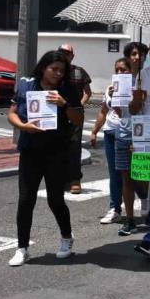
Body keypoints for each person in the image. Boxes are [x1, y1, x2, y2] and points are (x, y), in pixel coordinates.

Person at [7, 51, 84, 266]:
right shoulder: (27, 86)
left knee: (55, 199)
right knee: (25, 199)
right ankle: (22, 248)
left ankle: (67, 238)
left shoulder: (67, 89)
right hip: (31, 150)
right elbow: (12, 112)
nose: (58, 74)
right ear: (43, 68)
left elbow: (79, 118)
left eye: (62, 70)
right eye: (54, 69)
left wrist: (64, 104)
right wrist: (23, 126)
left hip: (57, 151)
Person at [114, 42, 150, 236]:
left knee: (144, 175)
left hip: (145, 131)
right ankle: (129, 219)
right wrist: (115, 98)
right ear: (128, 57)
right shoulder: (121, 81)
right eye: (134, 54)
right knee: (126, 178)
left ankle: (145, 199)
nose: (138, 57)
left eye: (141, 54)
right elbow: (120, 113)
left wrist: (139, 97)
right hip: (124, 132)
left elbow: (140, 108)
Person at [90, 58, 128, 225]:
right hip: (110, 132)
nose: (120, 73)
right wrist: (94, 131)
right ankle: (115, 208)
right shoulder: (109, 89)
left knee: (130, 174)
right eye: (117, 69)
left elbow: (125, 113)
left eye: (123, 69)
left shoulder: (135, 89)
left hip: (127, 133)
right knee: (114, 172)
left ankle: (145, 203)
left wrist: (119, 98)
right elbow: (103, 111)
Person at [58, 44, 91, 195]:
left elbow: (87, 92)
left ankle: (75, 180)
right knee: (59, 146)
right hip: (58, 114)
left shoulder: (79, 71)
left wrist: (80, 105)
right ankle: (62, 179)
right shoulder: (55, 71)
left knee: (74, 146)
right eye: (61, 53)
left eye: (67, 53)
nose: (65, 56)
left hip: (76, 114)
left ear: (72, 56)